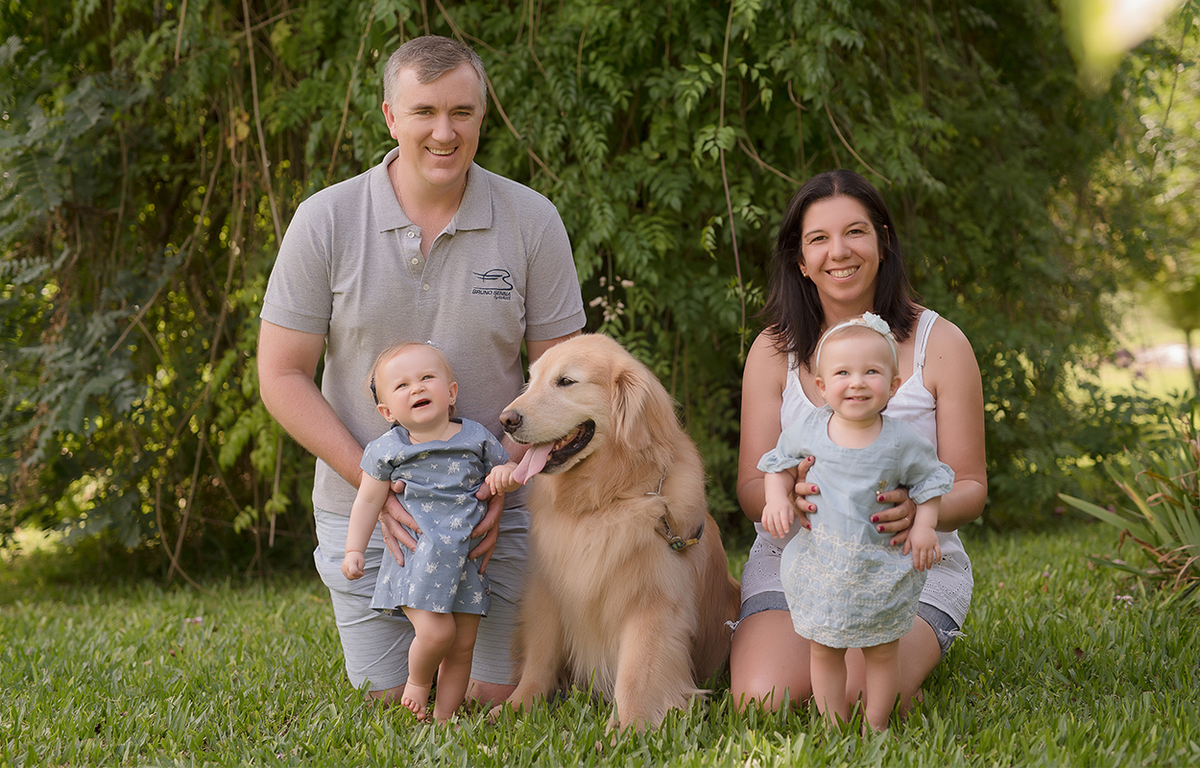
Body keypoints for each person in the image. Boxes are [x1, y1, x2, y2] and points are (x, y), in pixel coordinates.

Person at [257, 35, 585, 708]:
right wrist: (375, 488)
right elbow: (282, 376)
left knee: (495, 697)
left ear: (483, 115)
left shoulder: (530, 220)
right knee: (386, 701)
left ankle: (556, 631)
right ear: (389, 117)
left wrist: (506, 482)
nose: (444, 131)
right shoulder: (325, 220)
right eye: (424, 111)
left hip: (498, 511)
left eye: (462, 112)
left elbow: (566, 380)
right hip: (370, 512)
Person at [731, 169, 987, 718]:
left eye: (855, 232)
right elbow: (753, 485)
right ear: (801, 260)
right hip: (799, 558)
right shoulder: (773, 351)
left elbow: (970, 485)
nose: (838, 251)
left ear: (883, 241)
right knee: (760, 698)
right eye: (818, 239)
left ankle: (898, 671)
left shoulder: (939, 344)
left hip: (906, 559)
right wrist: (787, 499)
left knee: (855, 692)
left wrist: (921, 510)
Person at [758, 313, 954, 731]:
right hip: (823, 568)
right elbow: (776, 463)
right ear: (822, 387)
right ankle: (832, 725)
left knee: (883, 653)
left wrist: (924, 525)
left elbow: (931, 481)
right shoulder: (810, 428)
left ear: (894, 385)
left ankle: (877, 724)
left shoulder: (900, 440)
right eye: (843, 373)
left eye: (872, 372)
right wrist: (777, 497)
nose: (858, 382)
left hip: (879, 571)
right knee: (824, 650)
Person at [341, 342, 521, 722]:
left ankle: (443, 719)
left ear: (451, 392)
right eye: (403, 385)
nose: (417, 388)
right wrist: (352, 550)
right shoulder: (388, 449)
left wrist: (504, 479)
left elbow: (500, 479)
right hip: (416, 561)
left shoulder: (476, 438)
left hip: (465, 562)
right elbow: (369, 502)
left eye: (426, 378)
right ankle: (419, 682)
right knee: (438, 634)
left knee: (462, 645)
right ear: (387, 411)